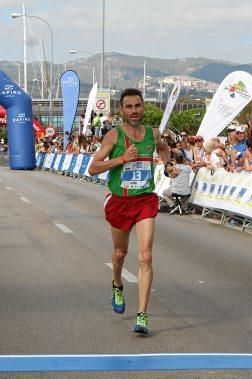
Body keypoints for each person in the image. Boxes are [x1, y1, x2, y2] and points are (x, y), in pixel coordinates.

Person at [88, 88, 170, 335]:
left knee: (145, 256)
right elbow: (93, 168)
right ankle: (117, 283)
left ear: (143, 107)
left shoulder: (153, 134)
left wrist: (169, 164)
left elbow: (164, 149)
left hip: (144, 200)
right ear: (122, 110)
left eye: (138, 106)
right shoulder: (114, 135)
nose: (134, 111)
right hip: (120, 201)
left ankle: (142, 315)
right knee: (120, 253)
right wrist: (122, 159)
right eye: (129, 107)